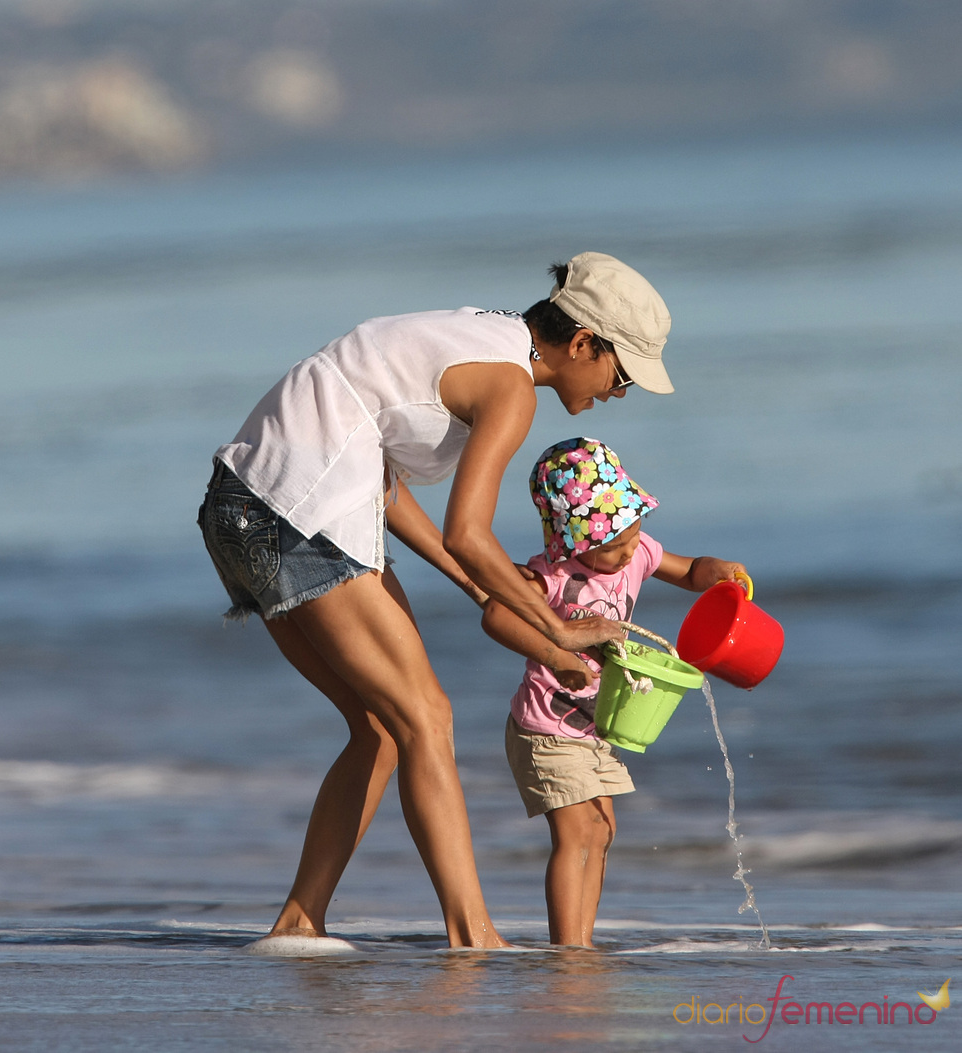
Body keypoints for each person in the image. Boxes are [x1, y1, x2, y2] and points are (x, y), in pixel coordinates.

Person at [197, 252, 674, 949]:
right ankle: (474, 936)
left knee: (383, 727)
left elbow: (386, 483)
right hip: (294, 511)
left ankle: (301, 921)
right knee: (428, 717)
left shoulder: (479, 334)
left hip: (242, 503)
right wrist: (560, 630)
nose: (620, 391)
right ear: (581, 344)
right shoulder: (513, 389)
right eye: (622, 373)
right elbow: (468, 531)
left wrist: (485, 586)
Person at [482, 438, 747, 948]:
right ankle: (568, 950)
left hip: (595, 725)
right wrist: (559, 657)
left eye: (631, 531)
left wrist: (714, 573)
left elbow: (688, 571)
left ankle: (581, 942)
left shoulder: (637, 552)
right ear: (574, 540)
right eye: (611, 544)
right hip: (546, 727)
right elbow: (496, 615)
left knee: (601, 831)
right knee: (575, 834)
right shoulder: (549, 577)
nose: (627, 549)